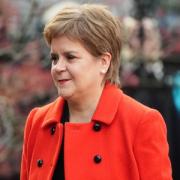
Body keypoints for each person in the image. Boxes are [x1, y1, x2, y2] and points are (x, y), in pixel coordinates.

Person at [20, 4, 172, 180]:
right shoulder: (38, 122)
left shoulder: (141, 123)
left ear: (104, 62)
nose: (58, 67)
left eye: (70, 57)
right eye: (54, 58)